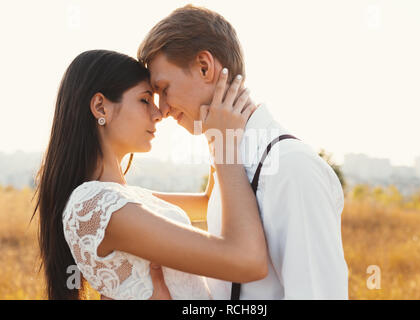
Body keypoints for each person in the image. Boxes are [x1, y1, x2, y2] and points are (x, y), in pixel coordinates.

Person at [137, 5, 349, 299]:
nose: (162, 109)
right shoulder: (230, 158)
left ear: (204, 67)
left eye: (164, 88)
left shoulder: (291, 167)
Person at [32, 49, 267, 299]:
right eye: (145, 100)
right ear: (101, 107)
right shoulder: (96, 205)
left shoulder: (123, 199)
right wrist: (224, 145)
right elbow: (247, 261)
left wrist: (210, 122)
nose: (158, 114)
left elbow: (209, 202)